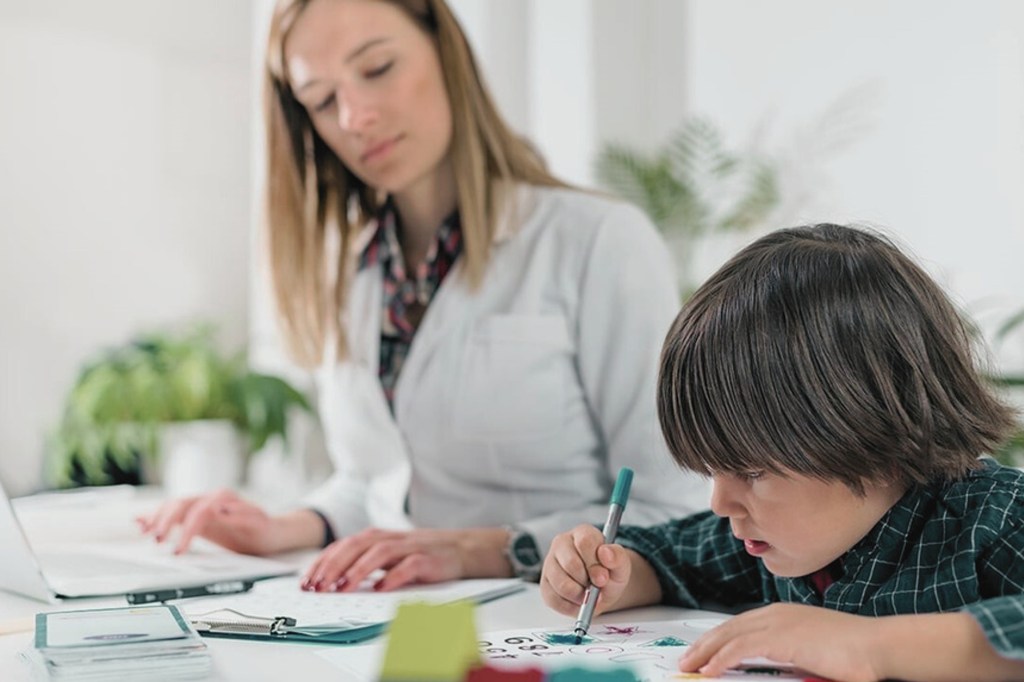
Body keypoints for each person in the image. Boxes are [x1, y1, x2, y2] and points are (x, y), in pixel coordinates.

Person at [137, 0, 708, 593]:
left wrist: (482, 550)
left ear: (446, 52)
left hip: (550, 614)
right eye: (323, 101)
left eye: (377, 68)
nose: (354, 117)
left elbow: (675, 507)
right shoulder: (354, 270)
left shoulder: (599, 241)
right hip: (397, 609)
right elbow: (377, 480)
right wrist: (286, 527)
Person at [541, 224, 1024, 682]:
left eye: (752, 472)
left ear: (878, 445)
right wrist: (608, 575)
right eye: (713, 471)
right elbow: (668, 558)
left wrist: (869, 645)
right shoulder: (784, 537)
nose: (720, 503)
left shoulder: (996, 519)